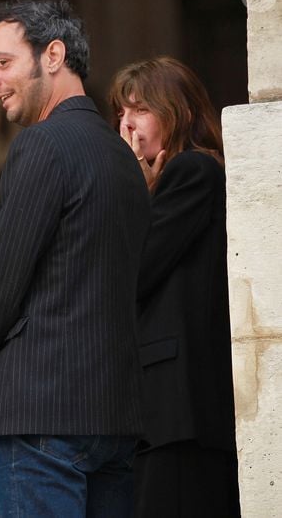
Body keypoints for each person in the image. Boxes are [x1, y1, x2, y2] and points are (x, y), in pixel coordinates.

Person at [0, 0, 151, 517]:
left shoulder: (41, 144)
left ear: (54, 55)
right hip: (113, 415)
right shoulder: (123, 158)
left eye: (2, 62)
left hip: (40, 413)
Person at [109, 55, 240, 517]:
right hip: (166, 415)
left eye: (140, 109)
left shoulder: (192, 171)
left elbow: (136, 270)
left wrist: (134, 193)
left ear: (177, 113)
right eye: (121, 113)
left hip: (178, 412)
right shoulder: (177, 177)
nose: (127, 124)